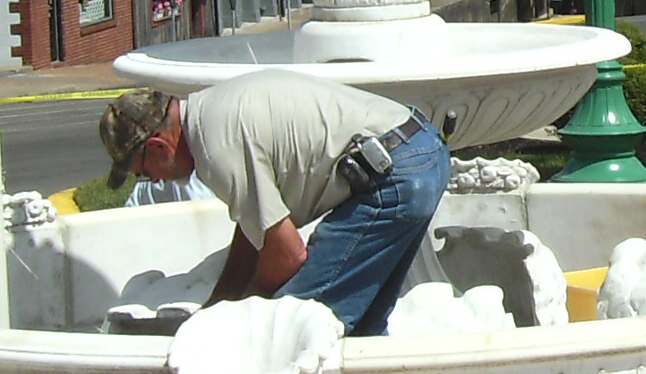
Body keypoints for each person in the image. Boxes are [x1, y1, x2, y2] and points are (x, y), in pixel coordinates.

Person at [98, 70, 450, 336]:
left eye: (144, 171)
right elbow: (256, 235)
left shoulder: (216, 148)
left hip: (396, 176)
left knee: (287, 328)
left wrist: (243, 316)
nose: (155, 180)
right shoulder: (211, 114)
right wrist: (218, 306)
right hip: (419, 152)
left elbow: (286, 254)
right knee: (361, 326)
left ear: (159, 146)